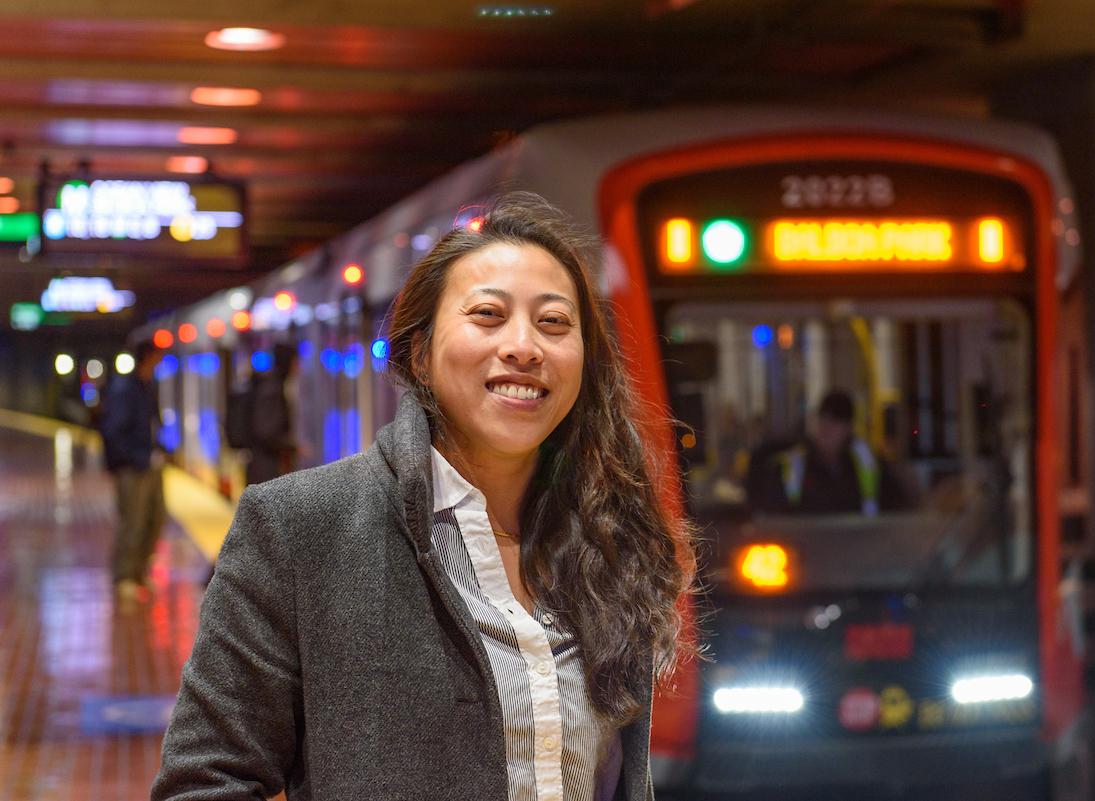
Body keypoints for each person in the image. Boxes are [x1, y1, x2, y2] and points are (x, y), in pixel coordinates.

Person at [152, 193, 694, 801]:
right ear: (419, 354)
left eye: (554, 322)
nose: (525, 346)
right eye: (487, 315)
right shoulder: (299, 528)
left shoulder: (611, 535)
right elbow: (205, 782)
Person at [747, 389, 905, 515]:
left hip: (861, 551)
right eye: (823, 418)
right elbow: (771, 515)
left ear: (849, 428)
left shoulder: (871, 466)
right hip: (804, 551)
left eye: (836, 420)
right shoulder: (791, 467)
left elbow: (895, 512)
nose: (826, 427)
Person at [99, 340, 165, 604]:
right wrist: (136, 457)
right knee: (132, 521)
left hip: (150, 463)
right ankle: (124, 576)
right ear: (147, 357)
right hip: (132, 466)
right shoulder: (125, 389)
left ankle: (139, 572)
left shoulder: (145, 386)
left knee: (154, 518)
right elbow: (114, 431)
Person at [245, 342, 298, 484]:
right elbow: (266, 431)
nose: (298, 367)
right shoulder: (273, 390)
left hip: (263, 465)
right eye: (295, 361)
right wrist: (292, 446)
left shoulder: (272, 385)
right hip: (266, 467)